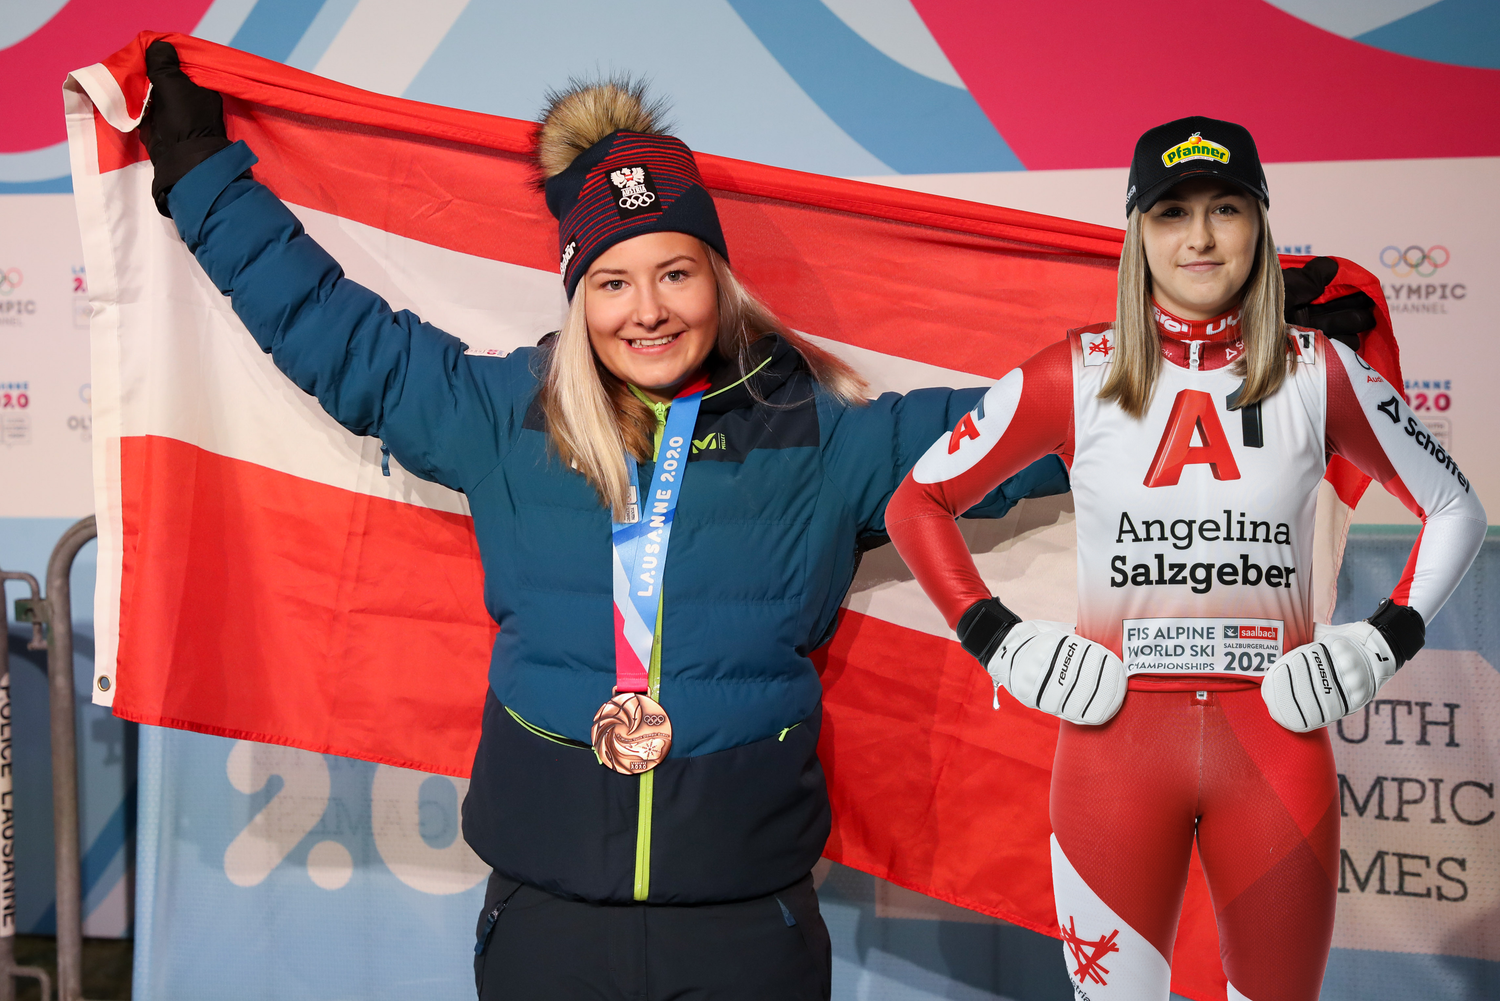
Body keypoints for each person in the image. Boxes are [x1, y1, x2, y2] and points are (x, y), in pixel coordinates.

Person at [137, 43, 1070, 1000]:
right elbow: (344, 337)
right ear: (579, 294)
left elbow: (1028, 425)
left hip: (749, 926)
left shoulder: (819, 437)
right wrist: (206, 182)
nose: (649, 311)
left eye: (676, 273)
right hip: (549, 923)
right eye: (614, 282)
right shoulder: (509, 417)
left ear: (719, 278)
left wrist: (1188, 362)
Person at [886, 116, 1486, 1001]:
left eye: (1225, 208)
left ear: (1261, 224)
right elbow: (915, 503)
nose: (1200, 237)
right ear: (1139, 231)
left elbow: (1455, 506)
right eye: (1171, 212)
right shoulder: (1075, 372)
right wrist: (998, 636)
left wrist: (1385, 637)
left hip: (1275, 746)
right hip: (1114, 749)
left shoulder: (1319, 369)